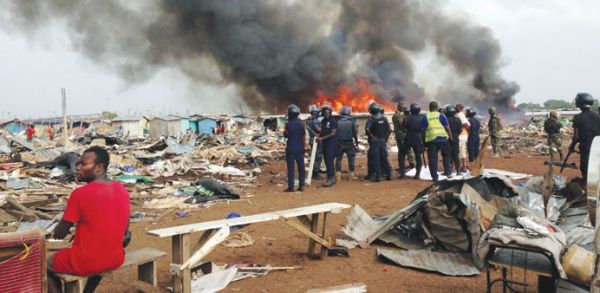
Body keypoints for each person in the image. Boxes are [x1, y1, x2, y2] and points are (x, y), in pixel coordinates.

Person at [47, 146, 130, 293]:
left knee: (43, 264)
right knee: (98, 257)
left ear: (98, 167)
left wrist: (57, 228)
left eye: (83, 164)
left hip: (86, 262)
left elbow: (59, 234)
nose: (77, 167)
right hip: (116, 258)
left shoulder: (80, 194)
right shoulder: (121, 189)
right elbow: (123, 229)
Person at [569, 93, 600, 182]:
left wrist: (571, 146)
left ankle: (588, 189)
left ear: (579, 103)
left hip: (586, 148)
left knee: (586, 169)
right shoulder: (598, 116)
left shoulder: (577, 117)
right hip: (598, 147)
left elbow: (576, 137)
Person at [422, 101, 452, 182]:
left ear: (429, 108)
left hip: (431, 140)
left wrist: (424, 142)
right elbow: (447, 128)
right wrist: (450, 137)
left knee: (432, 159)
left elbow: (423, 130)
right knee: (446, 155)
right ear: (437, 107)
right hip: (443, 139)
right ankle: (448, 172)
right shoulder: (441, 115)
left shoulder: (426, 117)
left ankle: (435, 177)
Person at [366, 103, 392, 182]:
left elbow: (367, 129)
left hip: (375, 142)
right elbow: (390, 130)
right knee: (384, 157)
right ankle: (388, 174)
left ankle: (377, 175)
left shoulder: (371, 119)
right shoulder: (384, 118)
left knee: (375, 158)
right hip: (382, 140)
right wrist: (385, 138)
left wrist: (372, 136)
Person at [283, 104, 306, 192]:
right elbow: (303, 136)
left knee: (291, 168)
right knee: (301, 167)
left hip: (291, 148)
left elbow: (286, 135)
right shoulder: (301, 124)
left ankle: (291, 187)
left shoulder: (287, 124)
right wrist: (304, 146)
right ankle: (301, 185)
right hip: (300, 147)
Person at [335, 106, 358, 180]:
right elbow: (355, 133)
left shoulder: (337, 122)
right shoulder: (352, 122)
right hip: (349, 142)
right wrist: (356, 142)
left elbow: (335, 133)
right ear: (349, 113)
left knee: (338, 159)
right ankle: (351, 175)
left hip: (339, 142)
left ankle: (338, 176)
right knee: (351, 158)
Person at [402, 103, 424, 179]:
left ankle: (402, 173)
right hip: (418, 139)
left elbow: (404, 126)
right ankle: (418, 174)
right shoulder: (422, 117)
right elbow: (424, 128)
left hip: (408, 138)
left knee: (402, 154)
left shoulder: (407, 118)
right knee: (418, 156)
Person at [317, 105, 338, 187]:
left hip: (331, 143)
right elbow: (322, 130)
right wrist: (318, 134)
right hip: (325, 143)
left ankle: (331, 178)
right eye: (325, 112)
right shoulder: (323, 121)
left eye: (328, 112)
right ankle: (330, 176)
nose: (326, 114)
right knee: (326, 160)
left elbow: (333, 133)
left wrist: (322, 138)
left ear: (330, 113)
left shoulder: (333, 121)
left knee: (329, 160)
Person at [392, 102, 415, 174]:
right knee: (403, 152)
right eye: (402, 107)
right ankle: (403, 168)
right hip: (401, 136)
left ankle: (412, 165)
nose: (404, 108)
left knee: (409, 151)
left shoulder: (402, 115)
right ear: (399, 107)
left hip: (405, 136)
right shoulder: (397, 115)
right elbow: (402, 126)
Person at [307, 105, 324, 180]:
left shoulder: (309, 120)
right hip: (316, 140)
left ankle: (314, 171)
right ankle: (315, 173)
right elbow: (319, 130)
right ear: (315, 113)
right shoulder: (316, 121)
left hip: (311, 139)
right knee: (318, 157)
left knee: (314, 156)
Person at [446, 105, 462, 175]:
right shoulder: (458, 119)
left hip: (447, 138)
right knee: (456, 155)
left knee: (448, 154)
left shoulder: (446, 119)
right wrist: (456, 135)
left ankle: (449, 170)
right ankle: (458, 171)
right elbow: (460, 130)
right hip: (456, 138)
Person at [455, 104, 471, 172]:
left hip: (460, 136)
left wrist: (460, 129)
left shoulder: (460, 115)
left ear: (460, 108)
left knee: (457, 152)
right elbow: (468, 125)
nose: (455, 108)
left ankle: (458, 168)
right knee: (463, 152)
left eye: (457, 107)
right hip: (464, 136)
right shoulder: (461, 114)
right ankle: (463, 167)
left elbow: (467, 125)